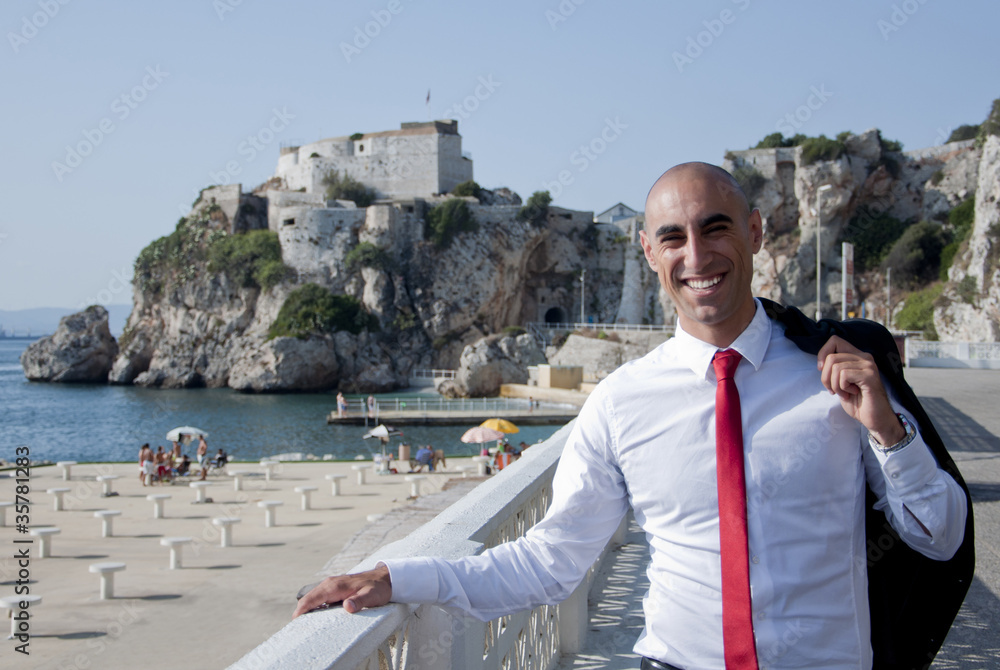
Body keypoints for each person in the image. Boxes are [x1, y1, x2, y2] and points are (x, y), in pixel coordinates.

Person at [294, 163, 973, 669]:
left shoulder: (835, 375)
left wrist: (889, 430)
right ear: (649, 253)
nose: (697, 256)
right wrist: (400, 576)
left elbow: (940, 539)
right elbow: (551, 562)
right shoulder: (621, 403)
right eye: (673, 237)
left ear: (756, 232)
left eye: (716, 228)